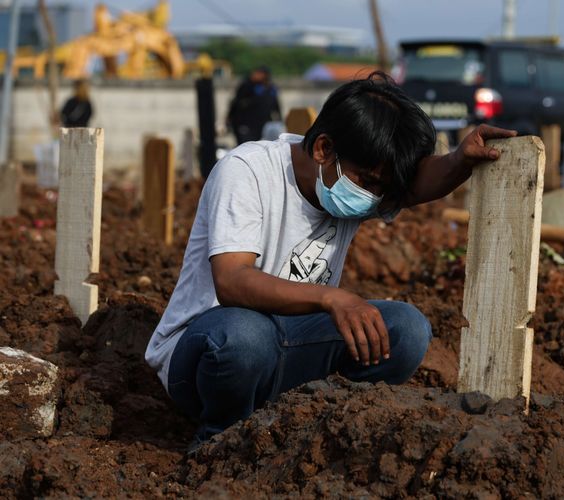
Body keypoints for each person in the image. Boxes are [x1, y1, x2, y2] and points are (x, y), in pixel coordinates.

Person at [145, 72, 516, 450]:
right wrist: (330, 298)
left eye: (382, 188)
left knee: (405, 330)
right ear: (323, 149)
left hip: (289, 348)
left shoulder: (351, 183)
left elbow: (417, 185)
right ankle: (220, 441)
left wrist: (459, 159)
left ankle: (319, 429)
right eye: (368, 181)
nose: (374, 198)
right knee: (245, 336)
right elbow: (232, 280)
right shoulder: (248, 171)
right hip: (205, 357)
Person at [226, 66, 281, 145]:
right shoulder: (247, 85)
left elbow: (276, 106)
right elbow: (236, 103)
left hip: (261, 124)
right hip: (244, 123)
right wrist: (229, 118)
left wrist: (279, 120)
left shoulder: (270, 89)